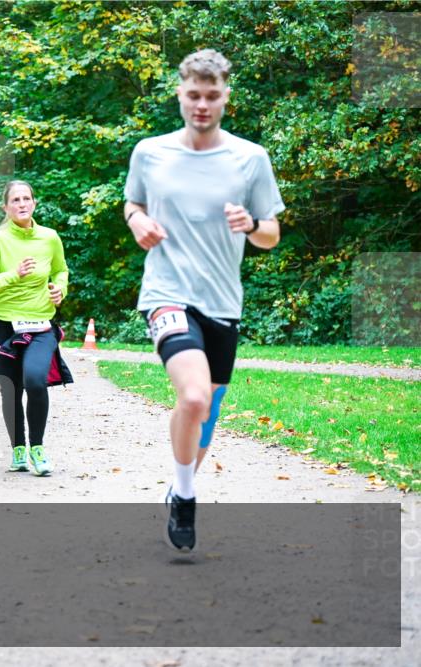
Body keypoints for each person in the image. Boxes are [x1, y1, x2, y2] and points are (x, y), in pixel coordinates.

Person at [124, 49, 284, 550]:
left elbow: (272, 233)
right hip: (167, 293)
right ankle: (185, 497)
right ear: (180, 93)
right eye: (194, 95)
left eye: (212, 96)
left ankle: (181, 478)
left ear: (225, 98)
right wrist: (137, 222)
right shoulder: (151, 152)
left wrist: (252, 225)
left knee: (204, 411)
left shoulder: (250, 159)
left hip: (222, 304)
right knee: (191, 396)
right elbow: (133, 202)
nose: (202, 105)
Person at [0, 180, 73, 476]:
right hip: (3, 325)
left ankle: (37, 449)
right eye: (15, 200)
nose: (22, 204)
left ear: (34, 203)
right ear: (6, 207)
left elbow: (61, 269)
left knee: (35, 380)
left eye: (26, 198)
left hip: (41, 325)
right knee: (10, 389)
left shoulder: (50, 238)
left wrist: (60, 289)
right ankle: (18, 448)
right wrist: (13, 275)